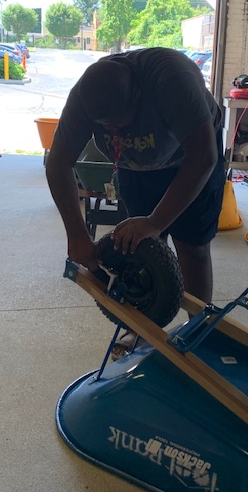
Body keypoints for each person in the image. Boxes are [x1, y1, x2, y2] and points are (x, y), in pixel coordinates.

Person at [46, 47, 225, 357]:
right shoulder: (84, 97)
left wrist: (155, 222)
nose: (114, 131)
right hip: (135, 168)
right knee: (137, 250)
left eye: (120, 123)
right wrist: (76, 234)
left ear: (139, 93)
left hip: (190, 160)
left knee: (192, 247)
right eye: (106, 127)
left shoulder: (172, 81)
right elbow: (58, 163)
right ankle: (141, 329)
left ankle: (198, 330)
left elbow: (204, 155)